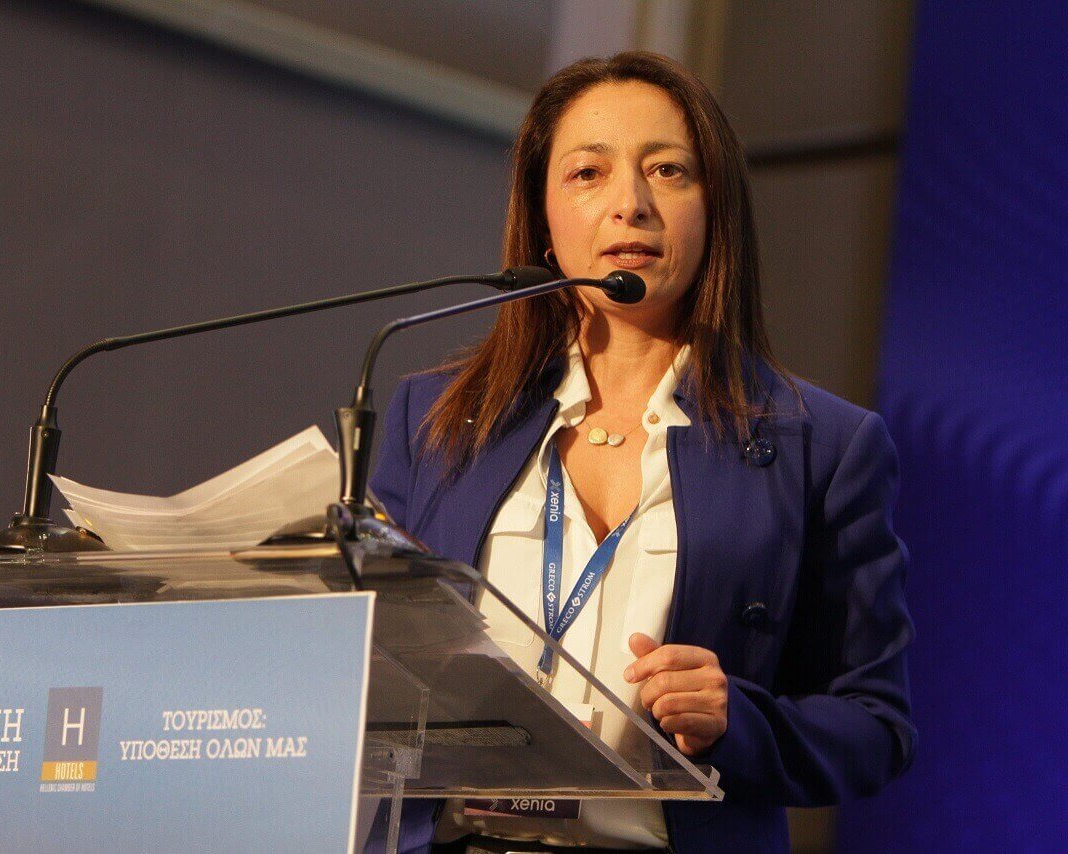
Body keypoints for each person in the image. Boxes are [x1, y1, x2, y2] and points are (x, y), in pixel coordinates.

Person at [368, 51, 915, 853]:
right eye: (588, 173)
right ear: (543, 218)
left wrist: (738, 720)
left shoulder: (823, 445)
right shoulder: (438, 418)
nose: (630, 204)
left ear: (714, 208)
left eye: (667, 170)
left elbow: (875, 728)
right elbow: (369, 662)